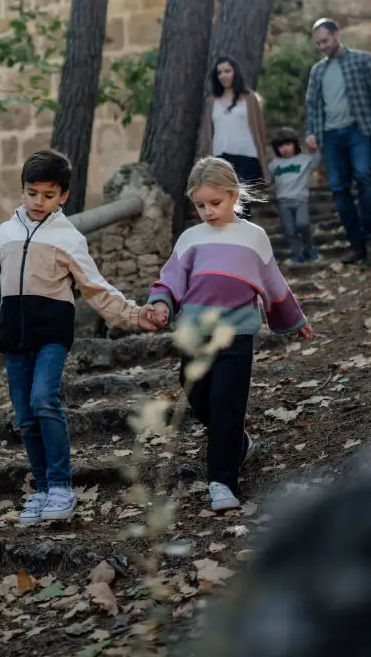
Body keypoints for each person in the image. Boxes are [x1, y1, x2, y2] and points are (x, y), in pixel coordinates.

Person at [0, 148, 157, 527]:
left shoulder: (68, 238)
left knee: (44, 400)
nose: (38, 201)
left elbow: (96, 288)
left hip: (52, 335)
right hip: (14, 336)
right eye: (32, 193)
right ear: (22, 190)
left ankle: (60, 486)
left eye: (48, 195)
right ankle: (41, 489)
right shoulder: (4, 234)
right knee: (25, 417)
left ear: (63, 196)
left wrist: (134, 315)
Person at [144, 157, 313, 512]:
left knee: (226, 403)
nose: (207, 211)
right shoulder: (190, 239)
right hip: (194, 333)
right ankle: (236, 440)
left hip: (237, 334)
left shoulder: (254, 237)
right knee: (196, 392)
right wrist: (161, 303)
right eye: (200, 205)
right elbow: (170, 279)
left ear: (234, 195)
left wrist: (294, 319)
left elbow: (273, 282)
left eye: (215, 202)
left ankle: (222, 483)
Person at [305, 18, 371, 265]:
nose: (322, 46)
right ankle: (356, 244)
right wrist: (310, 131)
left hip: (359, 130)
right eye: (318, 43)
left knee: (364, 177)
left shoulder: (363, 60)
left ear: (337, 35)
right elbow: (312, 104)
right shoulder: (317, 71)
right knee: (338, 189)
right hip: (330, 135)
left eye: (325, 40)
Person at [198, 55, 272, 217]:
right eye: (220, 73)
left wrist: (263, 159)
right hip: (220, 157)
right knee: (224, 201)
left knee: (241, 201)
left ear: (235, 72)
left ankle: (242, 232)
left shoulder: (250, 99)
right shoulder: (211, 102)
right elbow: (207, 133)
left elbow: (259, 130)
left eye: (227, 71)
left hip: (247, 155)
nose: (223, 75)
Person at [269, 127, 323, 267]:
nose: (285, 148)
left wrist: (315, 149)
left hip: (300, 200)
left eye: (288, 144)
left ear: (295, 144)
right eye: (281, 146)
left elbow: (317, 160)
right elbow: (268, 180)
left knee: (302, 224)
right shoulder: (274, 164)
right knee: (289, 230)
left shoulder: (304, 160)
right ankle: (297, 254)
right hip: (283, 202)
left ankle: (309, 247)